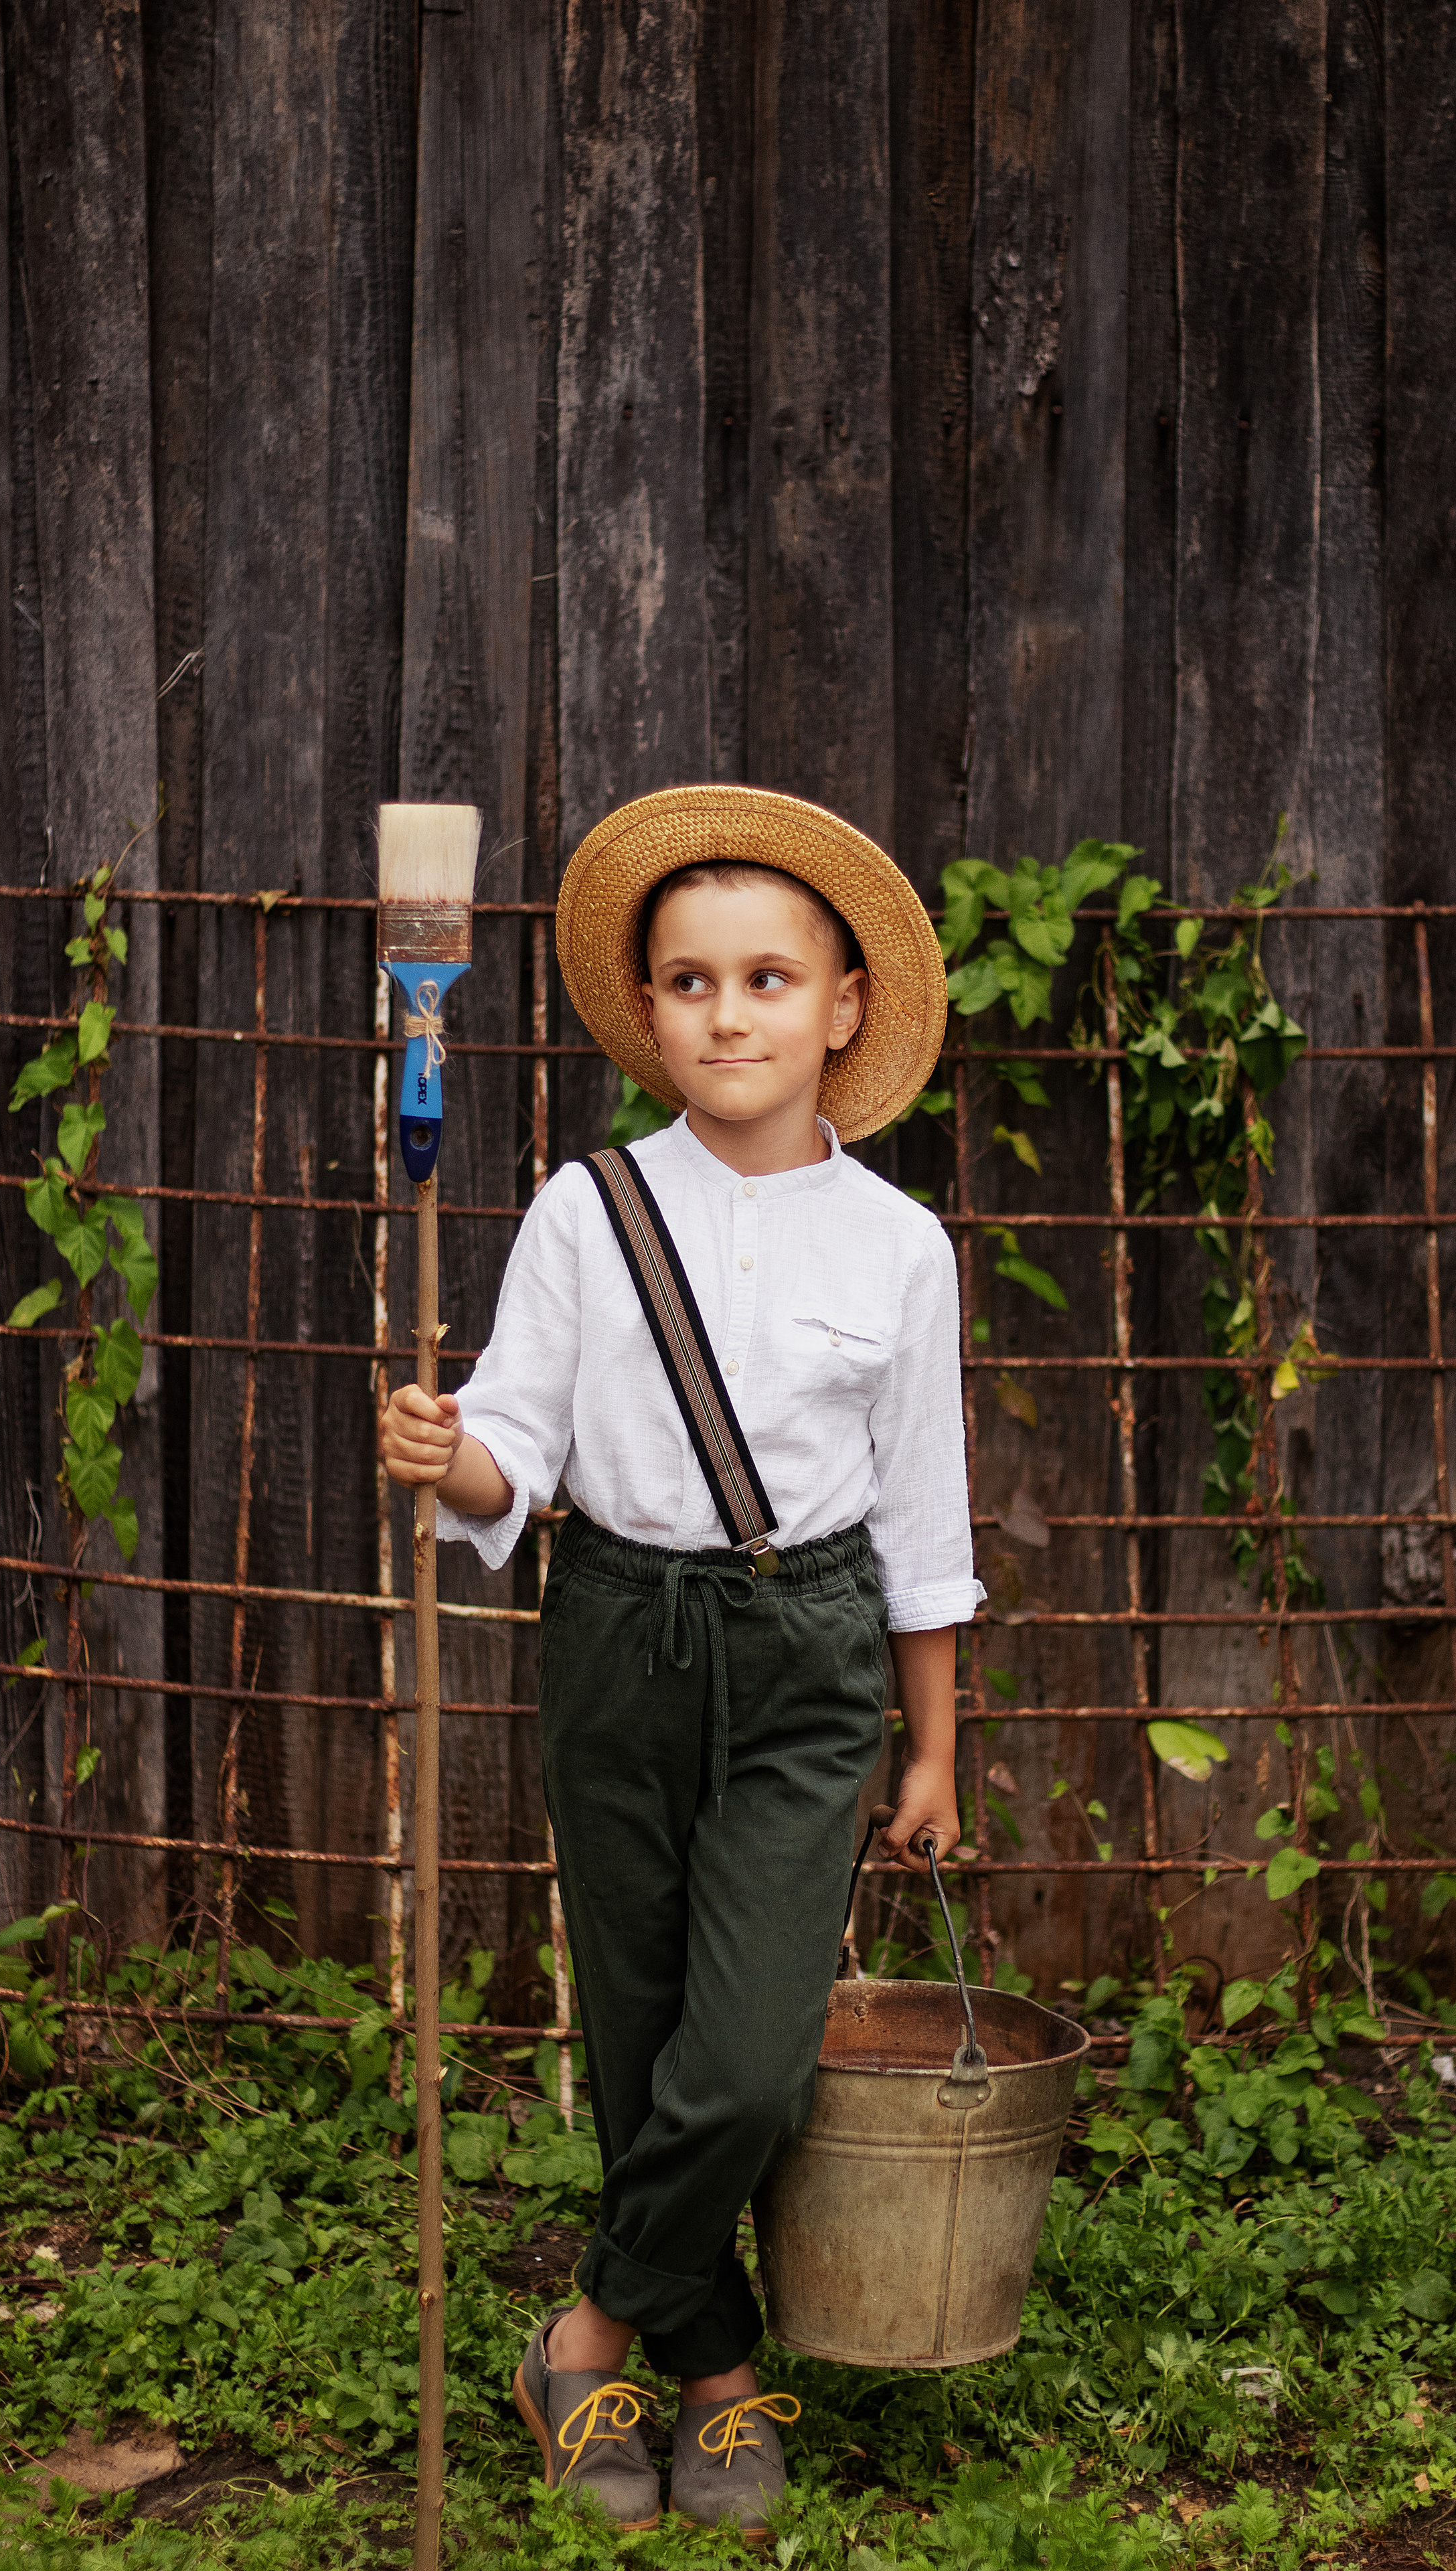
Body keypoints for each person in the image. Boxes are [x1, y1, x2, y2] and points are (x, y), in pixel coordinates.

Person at [380, 785, 982, 2540]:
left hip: (807, 1660)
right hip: (620, 1635)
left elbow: (928, 1528)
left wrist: (930, 1749)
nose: (732, 1015)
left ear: (846, 1006)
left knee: (748, 2061)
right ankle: (713, 2375)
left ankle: (585, 2331)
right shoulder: (587, 1213)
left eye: (771, 979)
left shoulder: (901, 1247)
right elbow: (519, 1454)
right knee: (646, 2035)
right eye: (694, 982)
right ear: (648, 1012)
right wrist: (449, 1457)